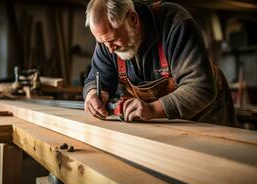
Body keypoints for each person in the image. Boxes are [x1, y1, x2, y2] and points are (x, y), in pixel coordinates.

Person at [83, 0, 236, 126]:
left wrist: (153, 109)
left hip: (206, 119)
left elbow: (200, 88)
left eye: (113, 40)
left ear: (133, 19)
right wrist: (93, 94)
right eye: (102, 42)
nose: (110, 50)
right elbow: (95, 80)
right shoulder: (107, 41)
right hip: (162, 124)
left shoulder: (175, 23)